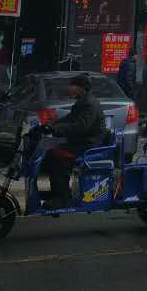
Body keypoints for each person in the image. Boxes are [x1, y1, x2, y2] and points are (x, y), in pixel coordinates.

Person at [41, 73, 107, 206]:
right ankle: (57, 192)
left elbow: (81, 126)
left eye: (73, 85)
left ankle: (63, 199)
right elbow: (70, 119)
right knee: (48, 150)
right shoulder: (82, 102)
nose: (69, 88)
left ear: (82, 88)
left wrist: (56, 129)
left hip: (88, 144)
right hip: (82, 140)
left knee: (56, 156)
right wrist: (51, 125)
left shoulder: (89, 104)